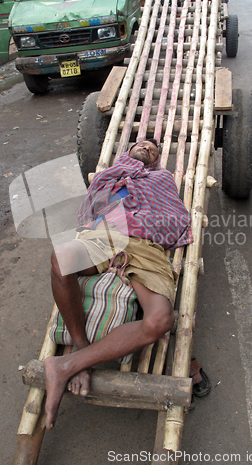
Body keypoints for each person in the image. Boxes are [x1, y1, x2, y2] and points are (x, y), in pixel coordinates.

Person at [44, 139, 196, 430]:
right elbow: (87, 210)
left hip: (146, 245)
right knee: (61, 256)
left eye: (153, 150)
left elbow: (175, 215)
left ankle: (67, 365)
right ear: (127, 151)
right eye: (142, 144)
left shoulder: (161, 178)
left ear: (155, 162)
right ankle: (81, 347)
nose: (147, 148)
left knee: (161, 319)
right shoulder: (107, 175)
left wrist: (145, 223)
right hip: (105, 234)